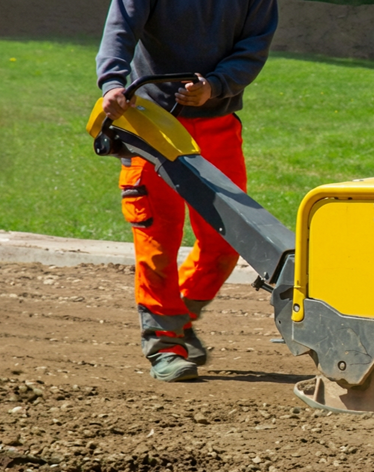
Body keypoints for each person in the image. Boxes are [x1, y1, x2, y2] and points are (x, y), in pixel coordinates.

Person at [95, 0, 278, 382]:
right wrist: (112, 83)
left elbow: (253, 47)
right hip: (150, 125)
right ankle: (165, 344)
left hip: (217, 125)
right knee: (157, 241)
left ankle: (178, 320)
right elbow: (120, 29)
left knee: (228, 240)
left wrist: (215, 86)